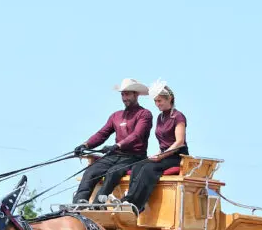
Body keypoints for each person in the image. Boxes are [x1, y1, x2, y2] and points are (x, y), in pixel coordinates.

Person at [72, 78, 153, 204]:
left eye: (127, 94)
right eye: (122, 94)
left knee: (113, 172)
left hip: (135, 157)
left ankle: (97, 204)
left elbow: (137, 135)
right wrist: (85, 145)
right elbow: (102, 133)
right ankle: (79, 202)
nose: (124, 98)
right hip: (114, 155)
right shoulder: (116, 115)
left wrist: (118, 145)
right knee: (91, 170)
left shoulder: (144, 114)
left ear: (136, 94)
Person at [122, 79, 188, 212]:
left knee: (149, 169)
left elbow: (179, 142)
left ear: (169, 99)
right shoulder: (160, 117)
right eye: (155, 101)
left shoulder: (178, 117)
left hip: (177, 156)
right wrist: (157, 154)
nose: (157, 104)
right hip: (164, 155)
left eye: (160, 101)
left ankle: (136, 204)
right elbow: (163, 143)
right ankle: (129, 199)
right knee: (137, 166)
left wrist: (161, 156)